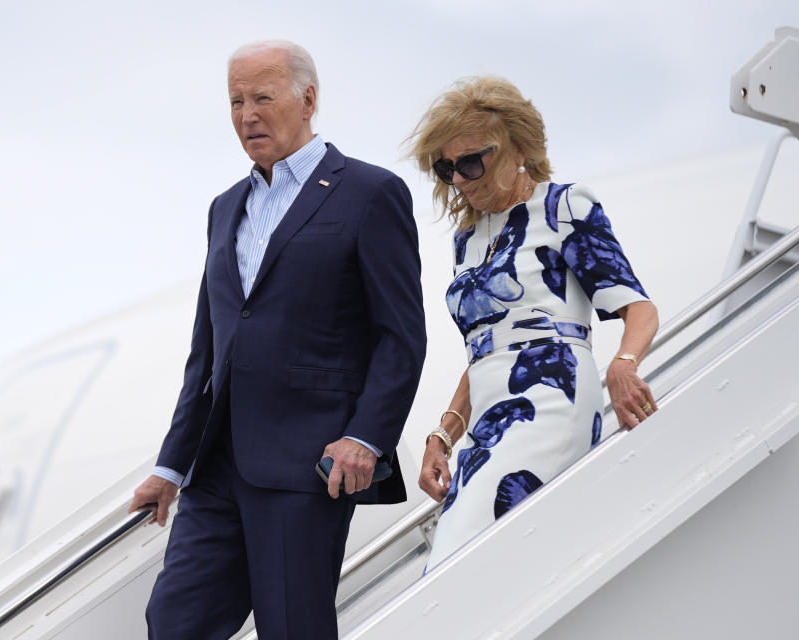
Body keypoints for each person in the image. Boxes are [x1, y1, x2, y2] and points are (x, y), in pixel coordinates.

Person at [128, 40, 426, 639]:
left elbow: (401, 334)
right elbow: (207, 351)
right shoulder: (224, 207)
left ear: (308, 99)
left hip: (308, 464)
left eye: (262, 97)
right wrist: (172, 465)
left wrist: (366, 436)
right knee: (174, 622)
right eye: (236, 101)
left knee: (293, 629)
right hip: (217, 467)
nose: (247, 115)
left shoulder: (369, 192)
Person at [410, 76, 659, 572]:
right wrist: (443, 434)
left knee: (461, 549)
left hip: (551, 396)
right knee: (474, 552)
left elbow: (637, 306)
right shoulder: (467, 239)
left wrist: (624, 362)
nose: (458, 179)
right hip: (489, 413)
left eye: (471, 162)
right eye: (445, 168)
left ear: (518, 149)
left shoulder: (563, 206)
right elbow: (487, 348)